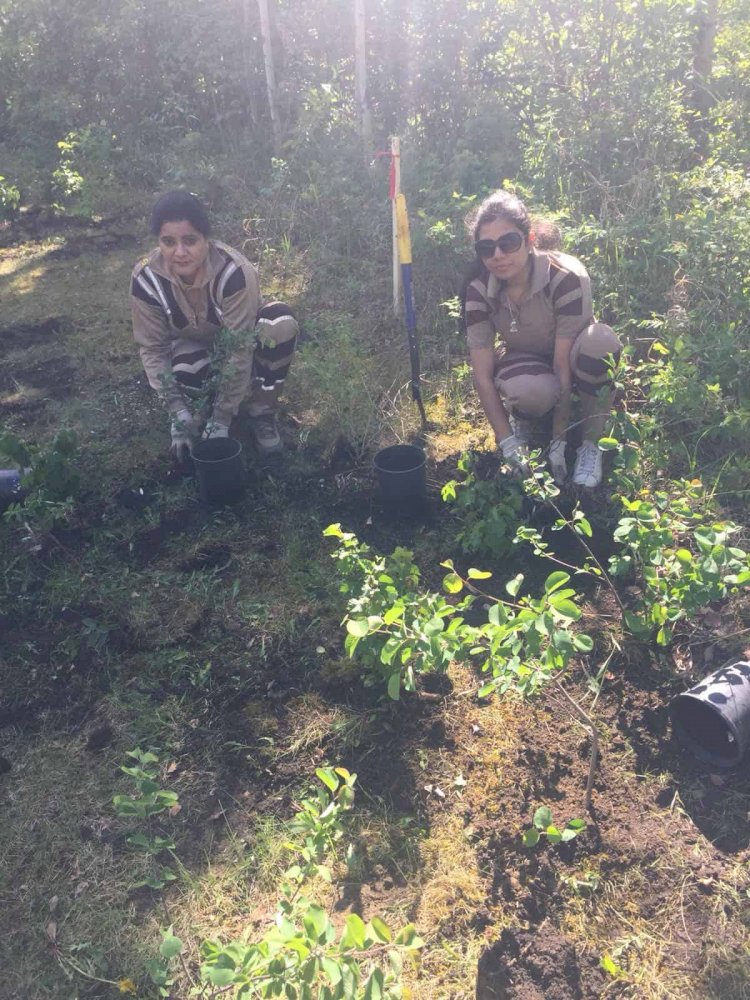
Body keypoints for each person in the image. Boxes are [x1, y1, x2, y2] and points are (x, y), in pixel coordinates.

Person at [461, 190, 621, 488]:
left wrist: (558, 445)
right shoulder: (478, 291)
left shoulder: (565, 277)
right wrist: (506, 442)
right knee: (529, 394)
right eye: (486, 248)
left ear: (530, 239)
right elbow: (481, 375)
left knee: (601, 344)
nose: (497, 255)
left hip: (573, 354)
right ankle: (525, 422)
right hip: (527, 357)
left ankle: (590, 443)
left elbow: (562, 365)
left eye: (508, 243)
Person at [130, 190, 298, 461]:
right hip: (194, 350)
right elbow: (152, 348)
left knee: (279, 322)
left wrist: (221, 420)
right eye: (168, 242)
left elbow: (241, 347)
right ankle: (197, 413)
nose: (180, 252)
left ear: (206, 239)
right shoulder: (146, 278)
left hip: (243, 349)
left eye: (190, 240)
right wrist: (177, 412)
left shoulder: (233, 272)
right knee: (187, 364)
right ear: (158, 242)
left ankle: (260, 413)